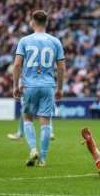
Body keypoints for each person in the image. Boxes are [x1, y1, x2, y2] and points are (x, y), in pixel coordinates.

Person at [13, 10, 65, 167]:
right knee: (45, 123)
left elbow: (16, 64)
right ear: (47, 23)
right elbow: (61, 68)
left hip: (29, 86)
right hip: (48, 86)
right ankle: (42, 159)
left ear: (32, 22)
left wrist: (15, 85)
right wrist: (60, 88)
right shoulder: (55, 41)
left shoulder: (24, 41)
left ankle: (33, 149)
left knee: (27, 118)